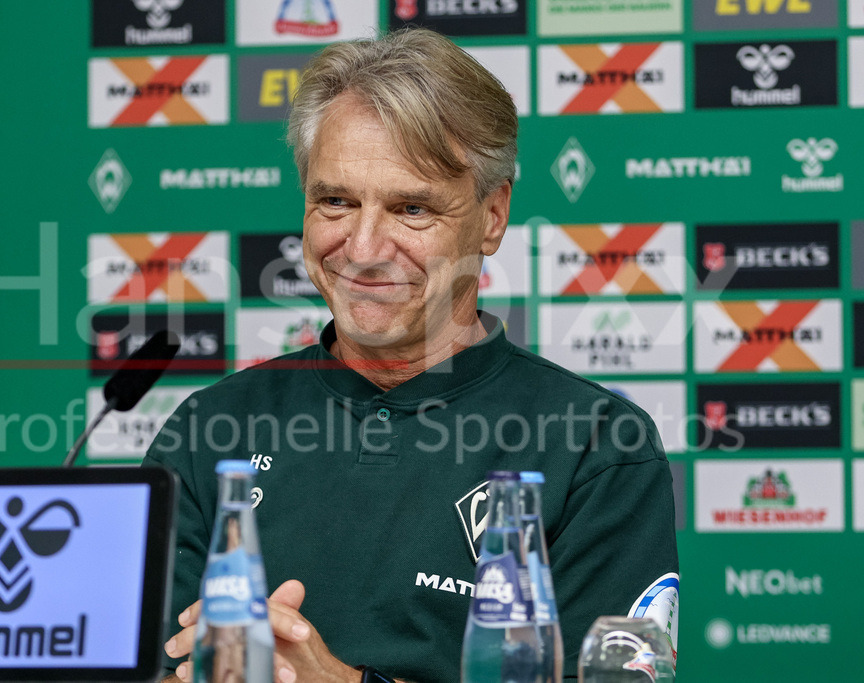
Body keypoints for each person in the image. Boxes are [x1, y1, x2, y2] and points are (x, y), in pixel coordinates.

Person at [144, 27, 679, 683]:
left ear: (492, 212)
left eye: (411, 207)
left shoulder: (599, 446)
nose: (364, 247)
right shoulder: (205, 431)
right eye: (335, 200)